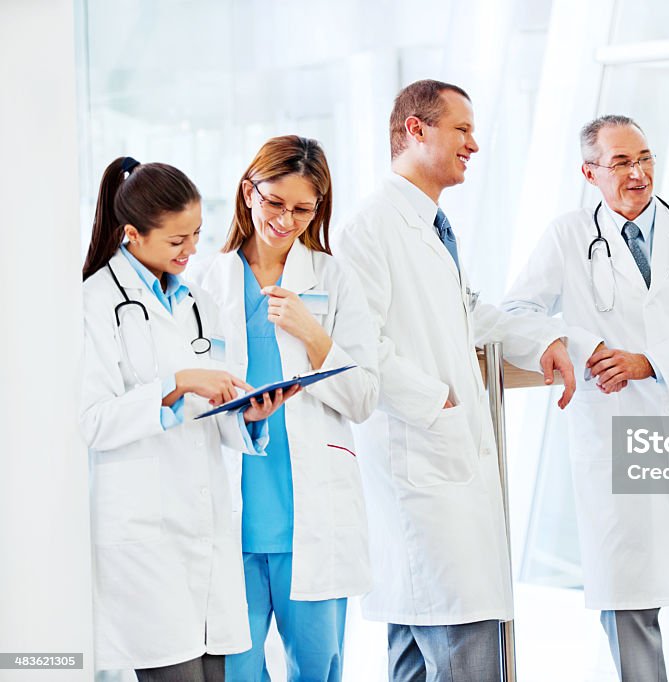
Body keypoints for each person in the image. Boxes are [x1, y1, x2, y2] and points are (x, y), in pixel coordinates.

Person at [502, 114, 669, 682]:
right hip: (618, 426)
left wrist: (650, 362)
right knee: (629, 595)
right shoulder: (568, 236)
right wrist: (580, 343)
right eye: (622, 162)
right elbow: (516, 314)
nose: (638, 173)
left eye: (645, 158)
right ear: (590, 171)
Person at [337, 79, 576, 682]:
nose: (474, 143)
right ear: (416, 130)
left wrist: (544, 339)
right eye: (461, 129)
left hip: (440, 475)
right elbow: (359, 349)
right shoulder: (373, 226)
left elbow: (466, 313)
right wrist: (434, 400)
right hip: (422, 468)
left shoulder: (429, 225)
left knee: (426, 654)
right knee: (461, 649)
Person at [80, 157, 294, 681]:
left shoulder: (198, 304)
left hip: (204, 530)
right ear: (131, 234)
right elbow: (92, 422)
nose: (191, 250)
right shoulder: (94, 304)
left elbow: (211, 411)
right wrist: (176, 382)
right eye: (177, 241)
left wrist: (249, 417)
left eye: (196, 234)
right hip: (145, 538)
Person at [199, 135, 380, 682]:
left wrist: (312, 333)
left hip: (311, 517)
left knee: (317, 671)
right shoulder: (205, 283)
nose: (286, 219)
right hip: (233, 510)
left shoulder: (333, 279)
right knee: (236, 672)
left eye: (304, 209)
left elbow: (363, 396)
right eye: (275, 202)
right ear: (248, 191)